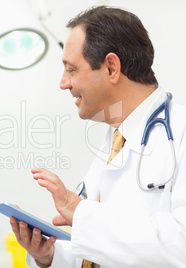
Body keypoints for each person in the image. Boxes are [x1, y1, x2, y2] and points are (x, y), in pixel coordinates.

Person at [10, 5, 186, 268]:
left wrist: (79, 211)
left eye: (71, 69)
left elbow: (180, 246)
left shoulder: (180, 133)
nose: (63, 83)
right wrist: (49, 256)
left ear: (111, 68)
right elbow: (103, 251)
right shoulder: (115, 141)